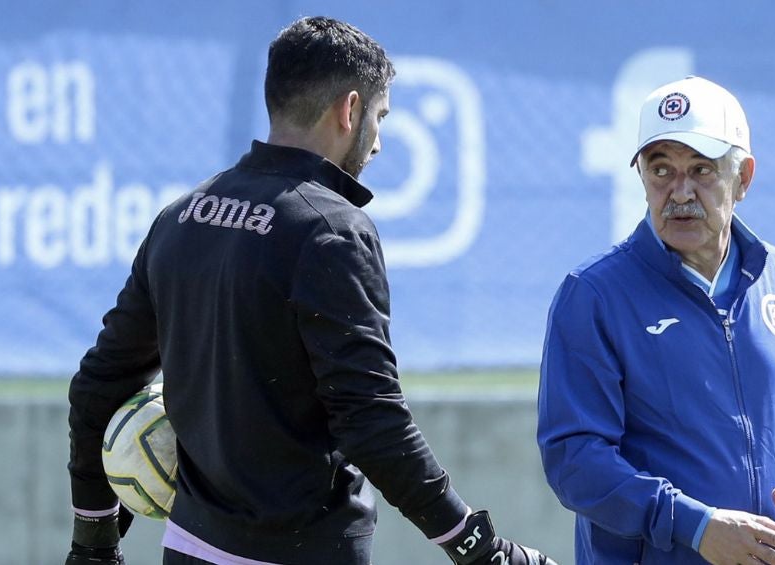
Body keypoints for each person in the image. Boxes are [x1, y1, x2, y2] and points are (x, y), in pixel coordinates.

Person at [65, 16, 555, 565]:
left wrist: (94, 542)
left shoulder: (181, 217)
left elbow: (97, 385)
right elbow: (370, 419)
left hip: (188, 547)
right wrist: (479, 547)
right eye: (380, 116)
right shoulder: (330, 228)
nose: (379, 141)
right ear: (349, 110)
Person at [537, 76, 775, 565]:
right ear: (641, 176)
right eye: (661, 169)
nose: (679, 191)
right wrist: (697, 527)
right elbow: (574, 460)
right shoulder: (594, 294)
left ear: (743, 177)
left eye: (702, 170)